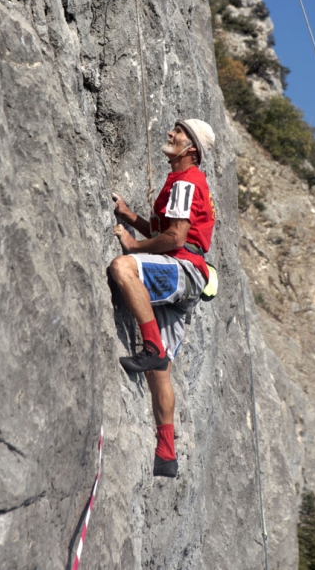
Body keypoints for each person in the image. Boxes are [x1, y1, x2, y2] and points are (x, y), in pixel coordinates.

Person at [110, 119, 215, 478]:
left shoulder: (186, 181)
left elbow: (173, 239)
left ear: (192, 149)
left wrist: (135, 246)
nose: (171, 134)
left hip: (183, 269)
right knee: (161, 371)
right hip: (188, 273)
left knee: (124, 268)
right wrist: (130, 217)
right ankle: (166, 453)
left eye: (179, 133)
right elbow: (164, 230)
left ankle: (150, 346)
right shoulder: (182, 182)